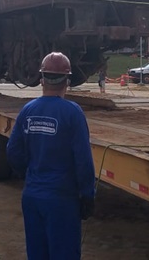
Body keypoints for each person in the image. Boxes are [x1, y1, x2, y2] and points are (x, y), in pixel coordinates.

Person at [6, 52, 96, 260]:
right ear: (67, 81)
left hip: (32, 196)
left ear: (41, 80)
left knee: (37, 253)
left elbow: (13, 151)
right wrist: (87, 194)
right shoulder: (73, 113)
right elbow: (83, 160)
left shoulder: (27, 111)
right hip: (62, 199)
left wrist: (29, 175)